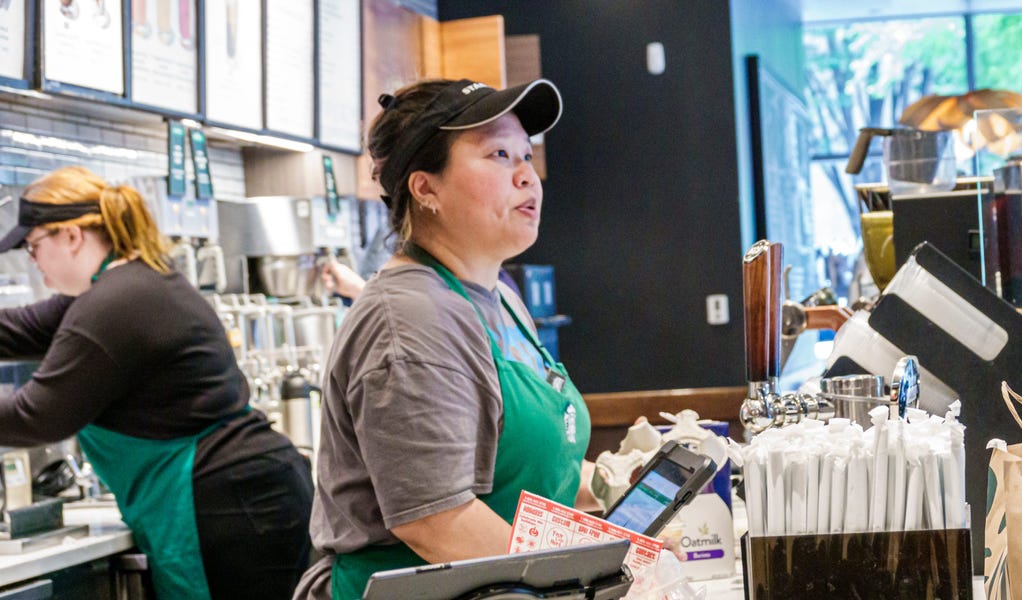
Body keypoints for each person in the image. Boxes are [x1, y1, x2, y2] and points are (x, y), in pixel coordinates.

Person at [295, 78, 600, 600]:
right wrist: (579, 585)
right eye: (500, 154)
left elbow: (521, 468)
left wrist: (619, 479)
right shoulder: (411, 319)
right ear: (425, 188)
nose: (527, 175)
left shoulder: (498, 295)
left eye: (527, 154)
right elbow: (439, 522)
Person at [0, 166, 314, 600]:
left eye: (33, 246)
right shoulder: (127, 286)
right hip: (249, 494)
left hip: (229, 507)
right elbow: (13, 329)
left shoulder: (113, 304)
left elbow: (35, 417)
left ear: (71, 236)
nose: (32, 261)